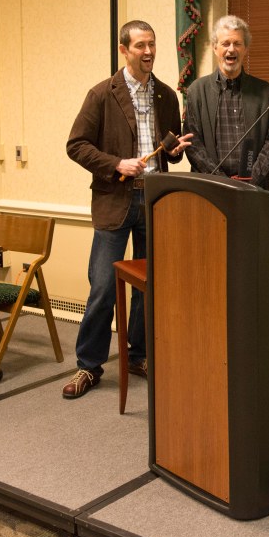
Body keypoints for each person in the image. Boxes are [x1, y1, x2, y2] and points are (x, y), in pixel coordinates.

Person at [64, 20, 192, 399]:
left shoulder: (167, 96)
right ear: (124, 50)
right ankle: (88, 366)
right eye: (140, 45)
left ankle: (138, 355)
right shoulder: (102, 94)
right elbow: (76, 145)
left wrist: (173, 151)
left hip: (155, 199)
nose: (148, 52)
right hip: (114, 201)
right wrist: (117, 163)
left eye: (152, 44)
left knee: (148, 285)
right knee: (104, 286)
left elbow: (170, 150)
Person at [182, 15, 269, 189]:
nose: (231, 49)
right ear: (215, 48)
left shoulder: (265, 92)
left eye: (237, 44)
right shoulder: (196, 91)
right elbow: (193, 144)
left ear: (246, 49)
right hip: (210, 188)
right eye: (225, 44)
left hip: (254, 190)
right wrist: (221, 182)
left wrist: (250, 182)